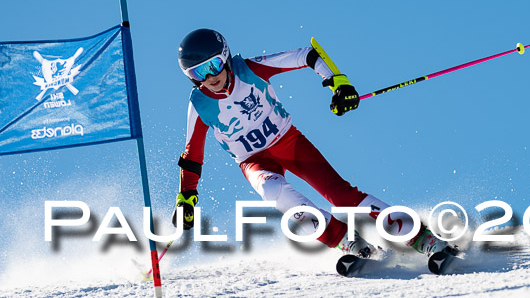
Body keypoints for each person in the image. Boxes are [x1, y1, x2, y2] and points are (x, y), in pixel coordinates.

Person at [172, 28, 447, 258]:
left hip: (289, 142)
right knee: (272, 191)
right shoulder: (199, 105)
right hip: (253, 160)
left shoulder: (251, 70)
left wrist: (338, 83)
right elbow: (192, 156)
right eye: (198, 74)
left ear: (225, 57)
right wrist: (186, 197)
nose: (210, 77)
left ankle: (422, 238)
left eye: (213, 65)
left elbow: (306, 55)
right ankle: (346, 241)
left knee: (342, 197)